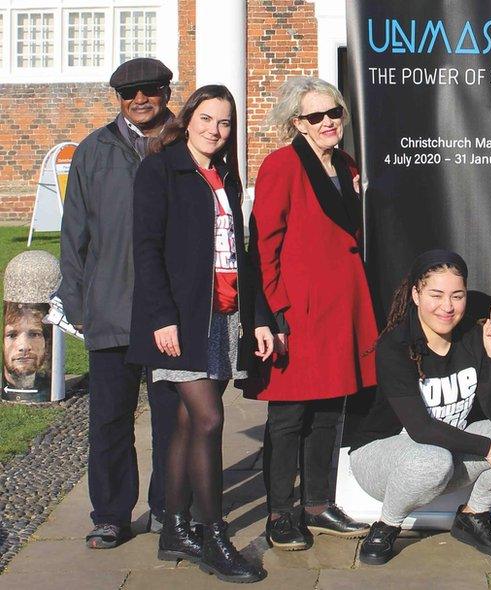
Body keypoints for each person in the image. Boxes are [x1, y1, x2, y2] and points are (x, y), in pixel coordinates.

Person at [128, 84, 273, 583]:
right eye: (207, 118)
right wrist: (161, 316)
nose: (215, 129)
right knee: (210, 421)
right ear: (188, 119)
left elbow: (240, 252)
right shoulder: (160, 169)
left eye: (225, 122)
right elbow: (145, 249)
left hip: (223, 313)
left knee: (191, 424)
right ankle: (214, 536)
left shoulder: (225, 176)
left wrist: (254, 317)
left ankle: (174, 529)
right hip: (182, 318)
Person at [58, 57, 182, 548]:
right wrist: (77, 303)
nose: (139, 99)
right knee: (110, 420)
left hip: (170, 313)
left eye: (149, 89)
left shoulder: (187, 144)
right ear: (118, 99)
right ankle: (110, 513)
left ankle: (170, 509)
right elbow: (74, 236)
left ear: (166, 92)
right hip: (109, 308)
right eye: (128, 93)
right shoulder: (94, 150)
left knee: (173, 420)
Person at [345, 250, 491, 566]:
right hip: (382, 458)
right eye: (436, 294)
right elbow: (421, 429)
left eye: (456, 296)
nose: (447, 306)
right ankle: (387, 524)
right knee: (433, 458)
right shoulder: (396, 346)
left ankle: (473, 516)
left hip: (447, 453)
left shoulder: (475, 336)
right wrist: (489, 449)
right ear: (416, 295)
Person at [249, 77, 376, 550]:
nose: (328, 122)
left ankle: (318, 504)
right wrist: (273, 313)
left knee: (329, 411)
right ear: (295, 123)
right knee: (288, 416)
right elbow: (264, 247)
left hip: (341, 311)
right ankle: (280, 514)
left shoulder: (346, 165)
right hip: (297, 314)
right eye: (315, 116)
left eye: (334, 113)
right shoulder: (281, 166)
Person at [2, 303, 51, 395]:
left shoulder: (49, 387)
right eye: (12, 335)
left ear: (46, 343)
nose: (24, 347)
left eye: (34, 334)